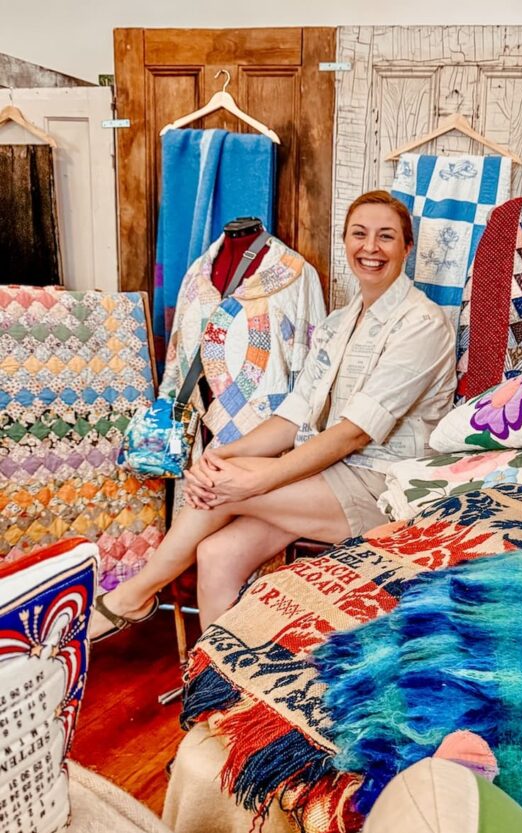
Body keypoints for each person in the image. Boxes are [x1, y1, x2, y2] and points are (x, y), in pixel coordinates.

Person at [91, 191, 456, 638]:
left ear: (406, 247)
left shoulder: (423, 322)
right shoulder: (338, 323)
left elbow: (353, 436)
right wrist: (226, 453)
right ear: (345, 242)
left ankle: (134, 594)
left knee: (228, 483)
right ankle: (219, 692)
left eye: (386, 237)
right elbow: (292, 418)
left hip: (385, 487)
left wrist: (258, 478)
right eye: (359, 234)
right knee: (217, 552)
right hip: (326, 478)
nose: (371, 248)